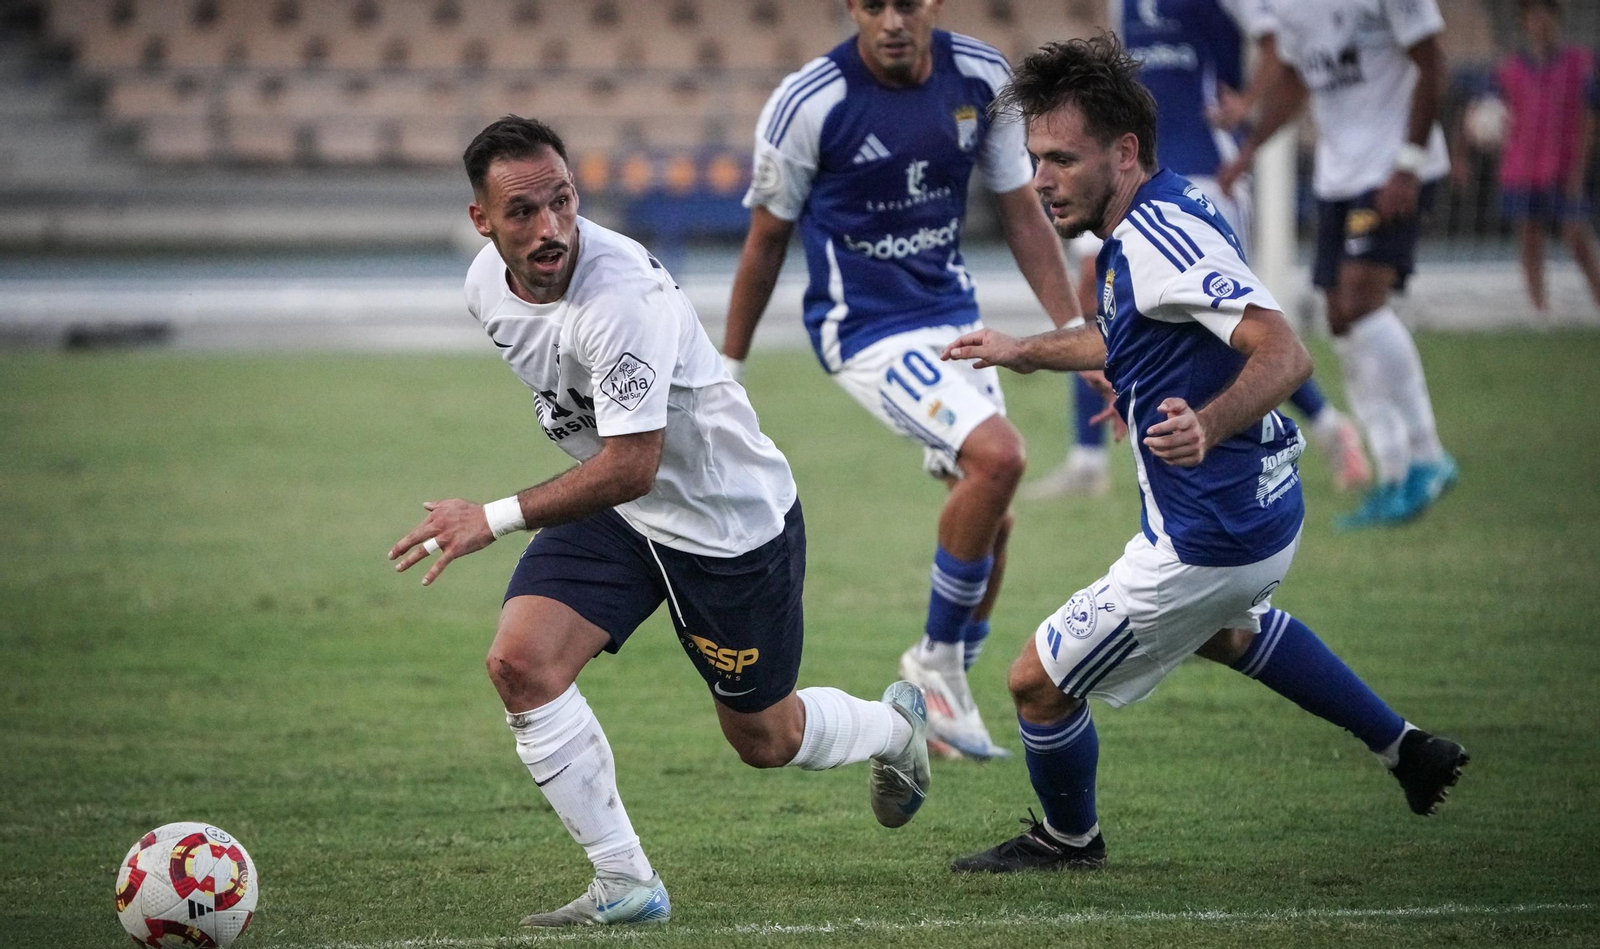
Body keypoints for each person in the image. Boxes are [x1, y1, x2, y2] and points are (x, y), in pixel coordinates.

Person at [936, 37, 1467, 873]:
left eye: (1062, 159)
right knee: (1224, 635)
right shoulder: (1164, 209)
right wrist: (1026, 350)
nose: (1041, 180)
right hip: (1260, 512)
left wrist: (1207, 425)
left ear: (1123, 152)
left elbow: (1286, 354)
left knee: (1034, 681)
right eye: (1036, 158)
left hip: (1206, 539)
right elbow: (1131, 332)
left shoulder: (1154, 243)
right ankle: (1407, 747)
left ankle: (1068, 841)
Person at [387, 116, 932, 927]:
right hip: (621, 513)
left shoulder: (623, 299)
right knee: (521, 664)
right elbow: (607, 452)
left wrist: (492, 518)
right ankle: (625, 882)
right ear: (482, 222)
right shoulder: (483, 287)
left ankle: (896, 727)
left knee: (763, 737)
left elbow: (632, 460)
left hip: (725, 526)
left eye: (562, 202)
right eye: (523, 213)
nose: (550, 229)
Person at [722, 0, 1082, 759]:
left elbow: (1021, 213)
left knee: (992, 514)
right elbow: (765, 242)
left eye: (907, 2)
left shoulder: (982, 77)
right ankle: (937, 663)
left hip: (953, 314)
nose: (892, 19)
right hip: (864, 329)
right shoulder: (809, 102)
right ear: (850, 7)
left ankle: (930, 704)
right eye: (873, 2)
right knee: (1003, 456)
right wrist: (728, 369)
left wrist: (1078, 332)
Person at [1024, 0, 1370, 501]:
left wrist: (1247, 104)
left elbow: (1279, 43)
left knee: (1231, 323)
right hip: (1122, 169)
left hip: (1206, 162)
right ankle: (1087, 457)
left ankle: (1326, 427)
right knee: (1094, 299)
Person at [1219, 0, 1457, 529]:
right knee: (1341, 321)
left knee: (1360, 303)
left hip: (1393, 167)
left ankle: (1428, 453)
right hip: (1338, 174)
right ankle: (1394, 474)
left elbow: (1434, 63)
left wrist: (1409, 165)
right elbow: (1297, 81)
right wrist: (1247, 151)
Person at [1488, 0, 1600, 316]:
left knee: (1576, 234)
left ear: (1557, 20)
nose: (1542, 23)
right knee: (1529, 238)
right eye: (1534, 16)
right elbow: (1490, 113)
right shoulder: (1510, 68)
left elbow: (1588, 118)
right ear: (1524, 23)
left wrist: (1579, 170)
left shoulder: (1580, 63)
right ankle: (1539, 310)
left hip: (1564, 165)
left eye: (1547, 15)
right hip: (1523, 166)